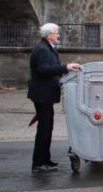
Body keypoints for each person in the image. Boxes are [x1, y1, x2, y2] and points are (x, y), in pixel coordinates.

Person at [28, 23, 80, 173]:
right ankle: (38, 163)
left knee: (48, 128)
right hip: (42, 94)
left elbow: (50, 69)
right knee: (44, 129)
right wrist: (65, 67)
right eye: (57, 33)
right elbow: (43, 70)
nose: (58, 35)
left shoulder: (47, 47)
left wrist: (63, 72)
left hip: (45, 94)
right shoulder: (42, 49)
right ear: (49, 34)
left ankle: (45, 159)